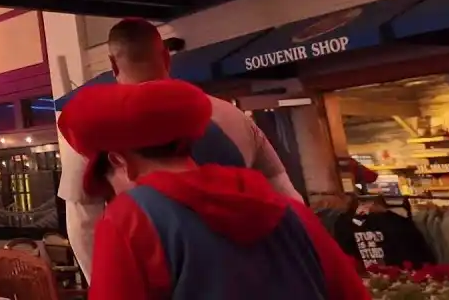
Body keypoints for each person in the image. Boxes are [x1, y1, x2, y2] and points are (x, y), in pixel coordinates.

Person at [59, 78, 369, 300]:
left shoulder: (131, 218)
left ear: (119, 161)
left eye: (107, 183)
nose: (113, 194)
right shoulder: (289, 210)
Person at [59, 18, 302, 281]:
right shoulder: (231, 116)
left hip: (161, 278)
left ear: (113, 64)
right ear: (166, 55)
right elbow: (288, 199)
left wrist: (104, 284)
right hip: (250, 275)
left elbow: (83, 225)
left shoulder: (93, 127)